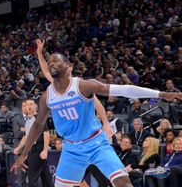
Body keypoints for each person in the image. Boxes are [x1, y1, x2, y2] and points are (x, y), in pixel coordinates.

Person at [11, 52, 182, 187]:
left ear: (68, 66)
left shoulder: (84, 86)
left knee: (123, 182)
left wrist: (160, 94)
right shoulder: (47, 96)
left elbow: (124, 90)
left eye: (56, 61)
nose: (51, 64)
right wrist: (24, 154)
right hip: (71, 149)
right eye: (50, 63)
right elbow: (38, 125)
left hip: (96, 144)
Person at [13, 99, 54, 187]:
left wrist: (45, 150)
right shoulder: (28, 120)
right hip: (33, 150)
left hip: (37, 150)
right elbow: (25, 137)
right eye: (27, 104)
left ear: (36, 106)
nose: (29, 106)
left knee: (32, 179)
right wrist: (18, 148)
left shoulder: (38, 118)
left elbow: (46, 133)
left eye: (31, 104)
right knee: (46, 178)